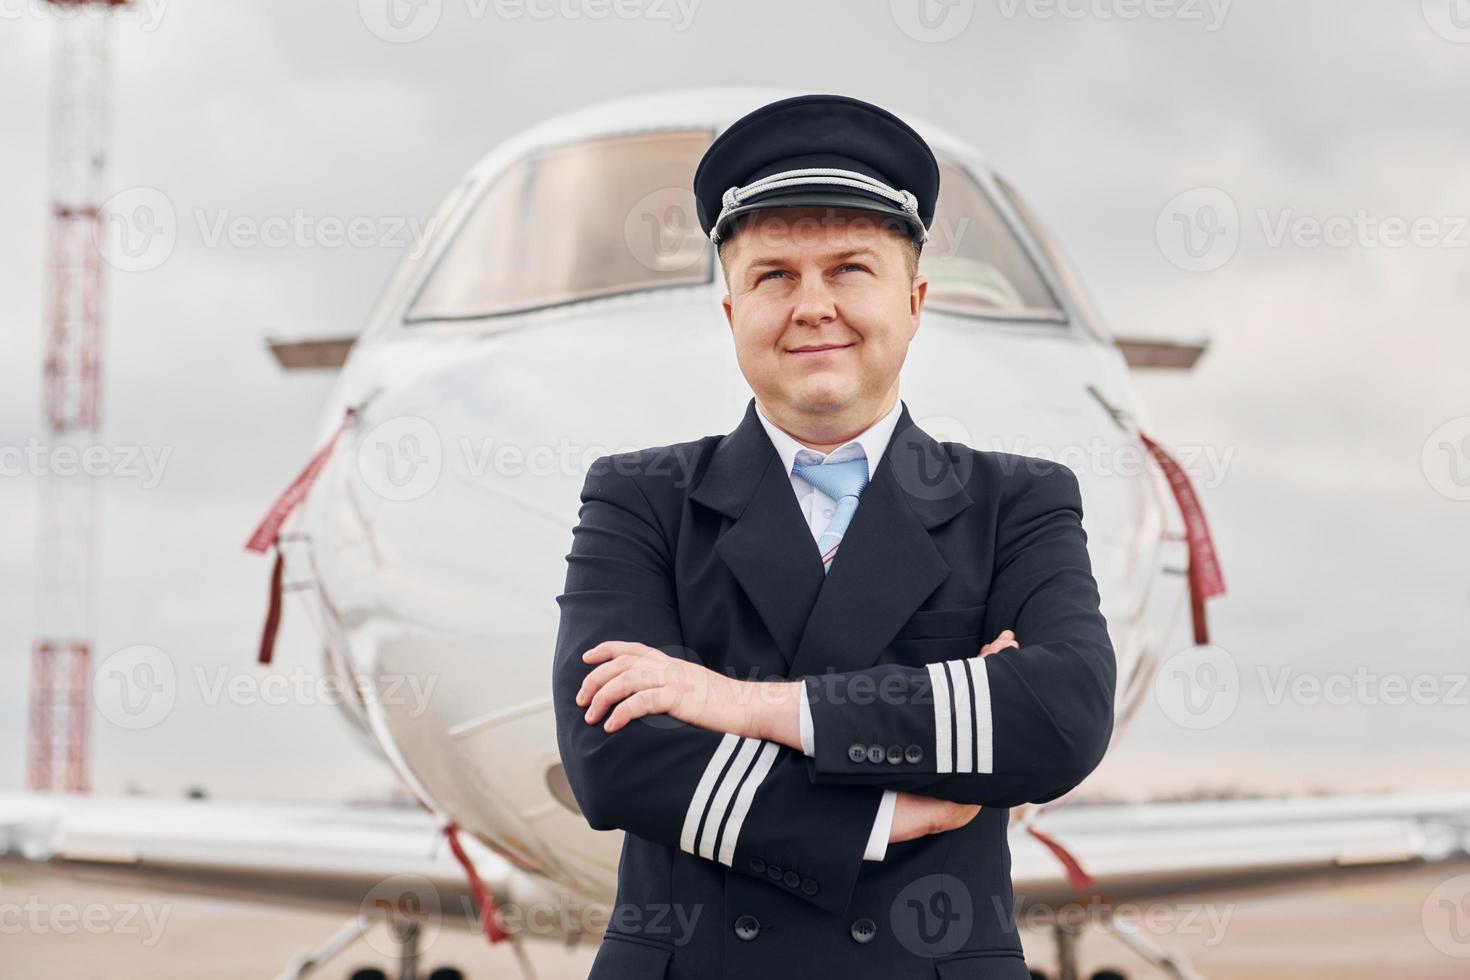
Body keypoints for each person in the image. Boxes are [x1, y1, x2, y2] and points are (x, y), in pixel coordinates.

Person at [551, 93, 1116, 980]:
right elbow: (613, 759)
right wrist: (891, 809)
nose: (812, 306)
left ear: (916, 299)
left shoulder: (1021, 501)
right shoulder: (639, 497)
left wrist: (738, 703)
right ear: (733, 314)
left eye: (850, 269)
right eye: (774, 275)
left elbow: (1060, 718)